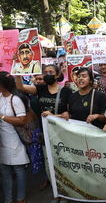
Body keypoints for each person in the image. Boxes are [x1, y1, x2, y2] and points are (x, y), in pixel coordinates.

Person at [15, 64, 72, 203]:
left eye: (51, 72)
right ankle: (56, 192)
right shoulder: (40, 89)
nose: (47, 74)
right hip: (45, 134)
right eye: (45, 72)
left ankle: (65, 192)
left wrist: (57, 115)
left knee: (62, 163)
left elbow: (69, 114)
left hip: (61, 134)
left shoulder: (66, 91)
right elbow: (20, 87)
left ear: (58, 75)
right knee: (50, 164)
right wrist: (16, 69)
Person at [0, 71, 29, 203]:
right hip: (2, 140)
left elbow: (22, 120)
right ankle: (8, 199)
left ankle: (21, 198)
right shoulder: (0, 96)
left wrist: (2, 117)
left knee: (19, 169)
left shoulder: (15, 99)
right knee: (4, 171)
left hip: (15, 139)